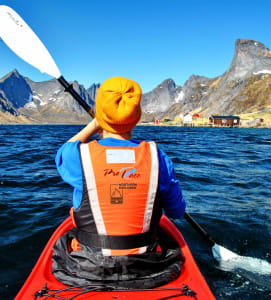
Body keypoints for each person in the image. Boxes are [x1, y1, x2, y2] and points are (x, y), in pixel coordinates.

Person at [52, 76, 186, 287]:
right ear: (136, 117)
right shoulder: (158, 157)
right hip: (146, 266)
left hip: (88, 266)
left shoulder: (77, 156)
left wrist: (95, 123)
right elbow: (176, 212)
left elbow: (61, 154)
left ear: (101, 115)